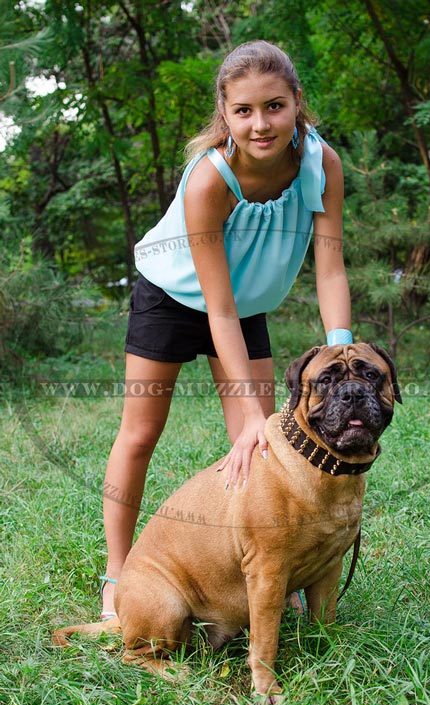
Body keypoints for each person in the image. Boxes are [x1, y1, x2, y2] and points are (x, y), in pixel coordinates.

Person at [100, 39, 352, 620]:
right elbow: (217, 311)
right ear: (225, 113)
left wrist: (340, 350)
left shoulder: (322, 163)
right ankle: (119, 573)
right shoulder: (209, 180)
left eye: (274, 107)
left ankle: (270, 561)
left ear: (296, 104)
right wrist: (247, 413)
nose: (260, 124)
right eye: (244, 111)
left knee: (262, 442)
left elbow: (331, 265)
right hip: (173, 295)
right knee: (140, 432)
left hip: (245, 307)